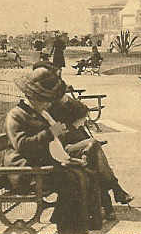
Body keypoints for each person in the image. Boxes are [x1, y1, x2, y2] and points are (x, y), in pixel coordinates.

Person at [4, 65, 103, 234]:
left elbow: (50, 144)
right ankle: (68, 229)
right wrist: (50, 133)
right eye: (45, 100)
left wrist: (61, 137)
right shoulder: (16, 115)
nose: (49, 104)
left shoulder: (40, 112)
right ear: (32, 96)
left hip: (40, 166)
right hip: (23, 172)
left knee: (84, 173)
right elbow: (23, 146)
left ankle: (75, 224)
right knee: (71, 179)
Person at [47, 89, 133, 221]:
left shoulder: (77, 126)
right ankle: (116, 190)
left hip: (80, 153)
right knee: (94, 151)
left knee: (95, 162)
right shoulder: (59, 124)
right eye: (82, 120)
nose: (84, 122)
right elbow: (59, 144)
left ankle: (111, 203)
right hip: (65, 153)